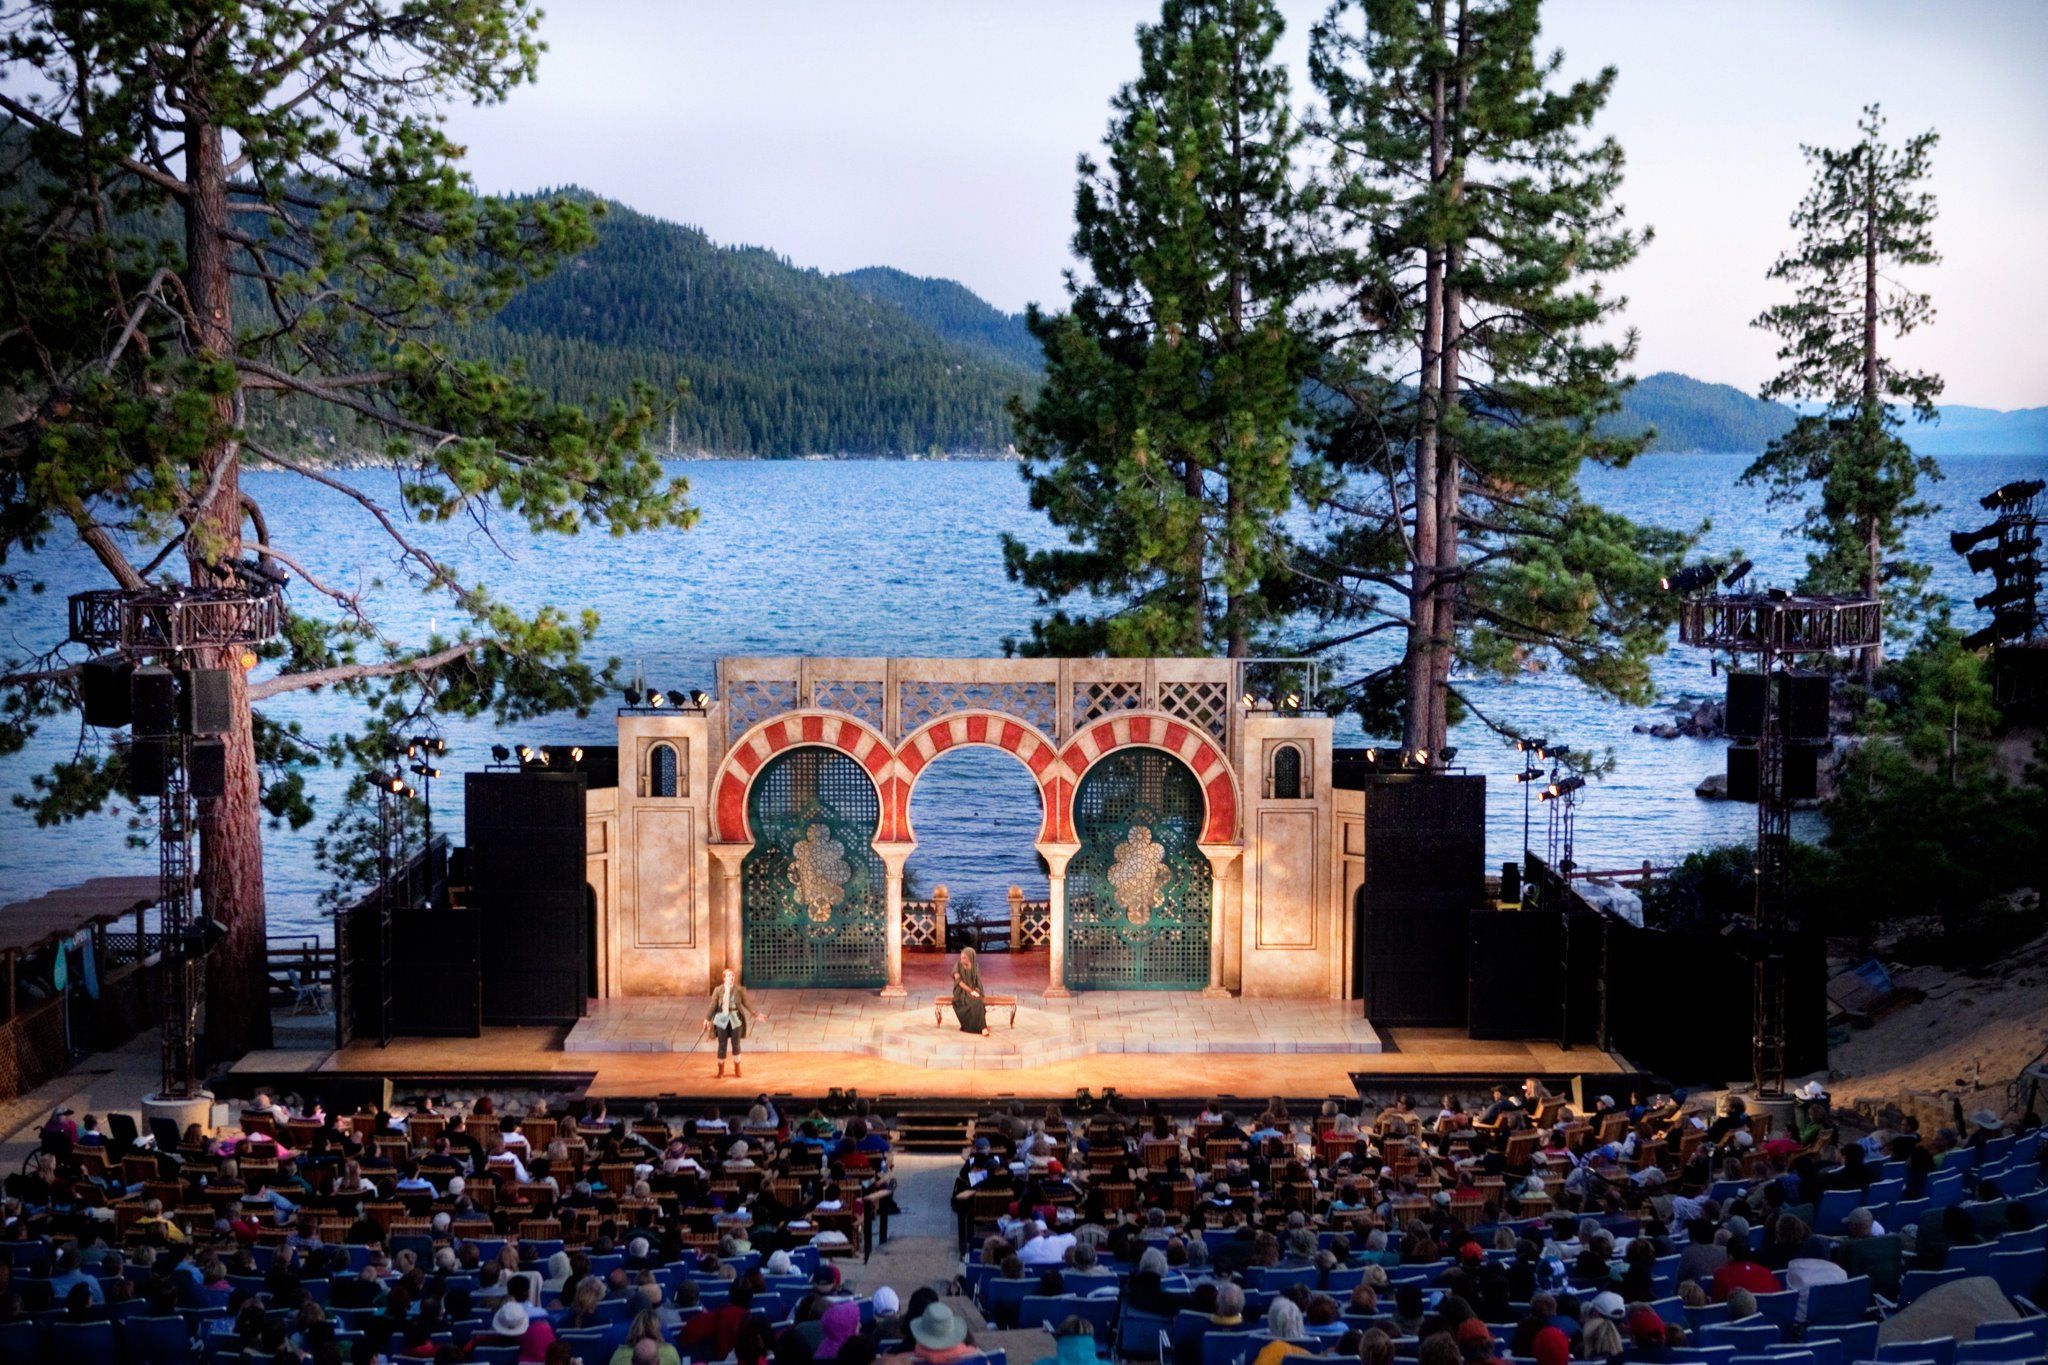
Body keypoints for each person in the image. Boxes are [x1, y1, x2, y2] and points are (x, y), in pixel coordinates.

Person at [702, 967, 764, 1079]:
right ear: (724, 978)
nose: (732, 977)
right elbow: (713, 1005)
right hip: (722, 1019)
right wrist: (707, 1018)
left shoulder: (739, 990)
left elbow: (747, 1004)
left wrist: (756, 1014)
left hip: (735, 1018)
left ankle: (737, 1068)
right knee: (722, 1044)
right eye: (729, 975)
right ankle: (721, 1070)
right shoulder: (718, 990)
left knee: (736, 1044)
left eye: (733, 975)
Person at [951, 947, 989, 1037]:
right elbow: (958, 981)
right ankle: (982, 1027)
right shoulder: (958, 965)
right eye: (961, 957)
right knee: (973, 1002)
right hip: (961, 991)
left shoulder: (975, 966)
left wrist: (976, 990)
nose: (962, 959)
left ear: (970, 957)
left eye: (964, 957)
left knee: (979, 1001)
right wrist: (970, 991)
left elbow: (977, 981)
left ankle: (980, 1026)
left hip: (972, 989)